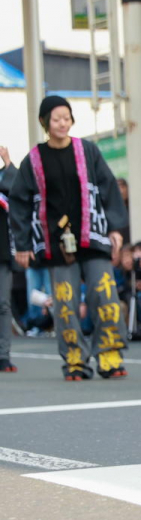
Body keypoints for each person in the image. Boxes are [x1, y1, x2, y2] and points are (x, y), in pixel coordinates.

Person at [9, 95, 129, 381]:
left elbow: (108, 186)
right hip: (56, 242)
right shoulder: (34, 159)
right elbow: (19, 201)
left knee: (105, 295)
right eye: (56, 119)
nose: (62, 123)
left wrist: (115, 228)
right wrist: (23, 244)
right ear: (44, 123)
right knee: (65, 303)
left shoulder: (87, 150)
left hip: (94, 236)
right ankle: (75, 359)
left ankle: (110, 354)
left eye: (67, 117)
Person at [0, 144, 18, 373]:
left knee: (3, 305)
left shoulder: (3, 180)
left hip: (2, 252)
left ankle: (3, 355)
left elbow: (16, 188)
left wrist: (7, 162)